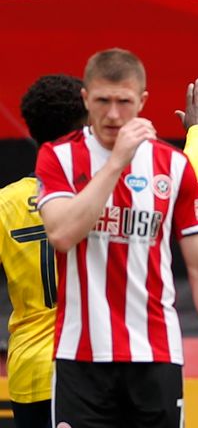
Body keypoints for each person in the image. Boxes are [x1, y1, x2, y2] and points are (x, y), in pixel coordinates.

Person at [34, 48, 198, 427]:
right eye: (102, 101)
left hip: (156, 355)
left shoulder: (173, 166)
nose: (113, 114)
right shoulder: (58, 157)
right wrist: (116, 163)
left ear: (142, 101)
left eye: (124, 102)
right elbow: (62, 234)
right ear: (85, 99)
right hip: (81, 357)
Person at [0, 74, 88, 428]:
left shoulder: (5, 203)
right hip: (87, 366)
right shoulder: (99, 190)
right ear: (85, 126)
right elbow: (178, 180)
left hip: (29, 374)